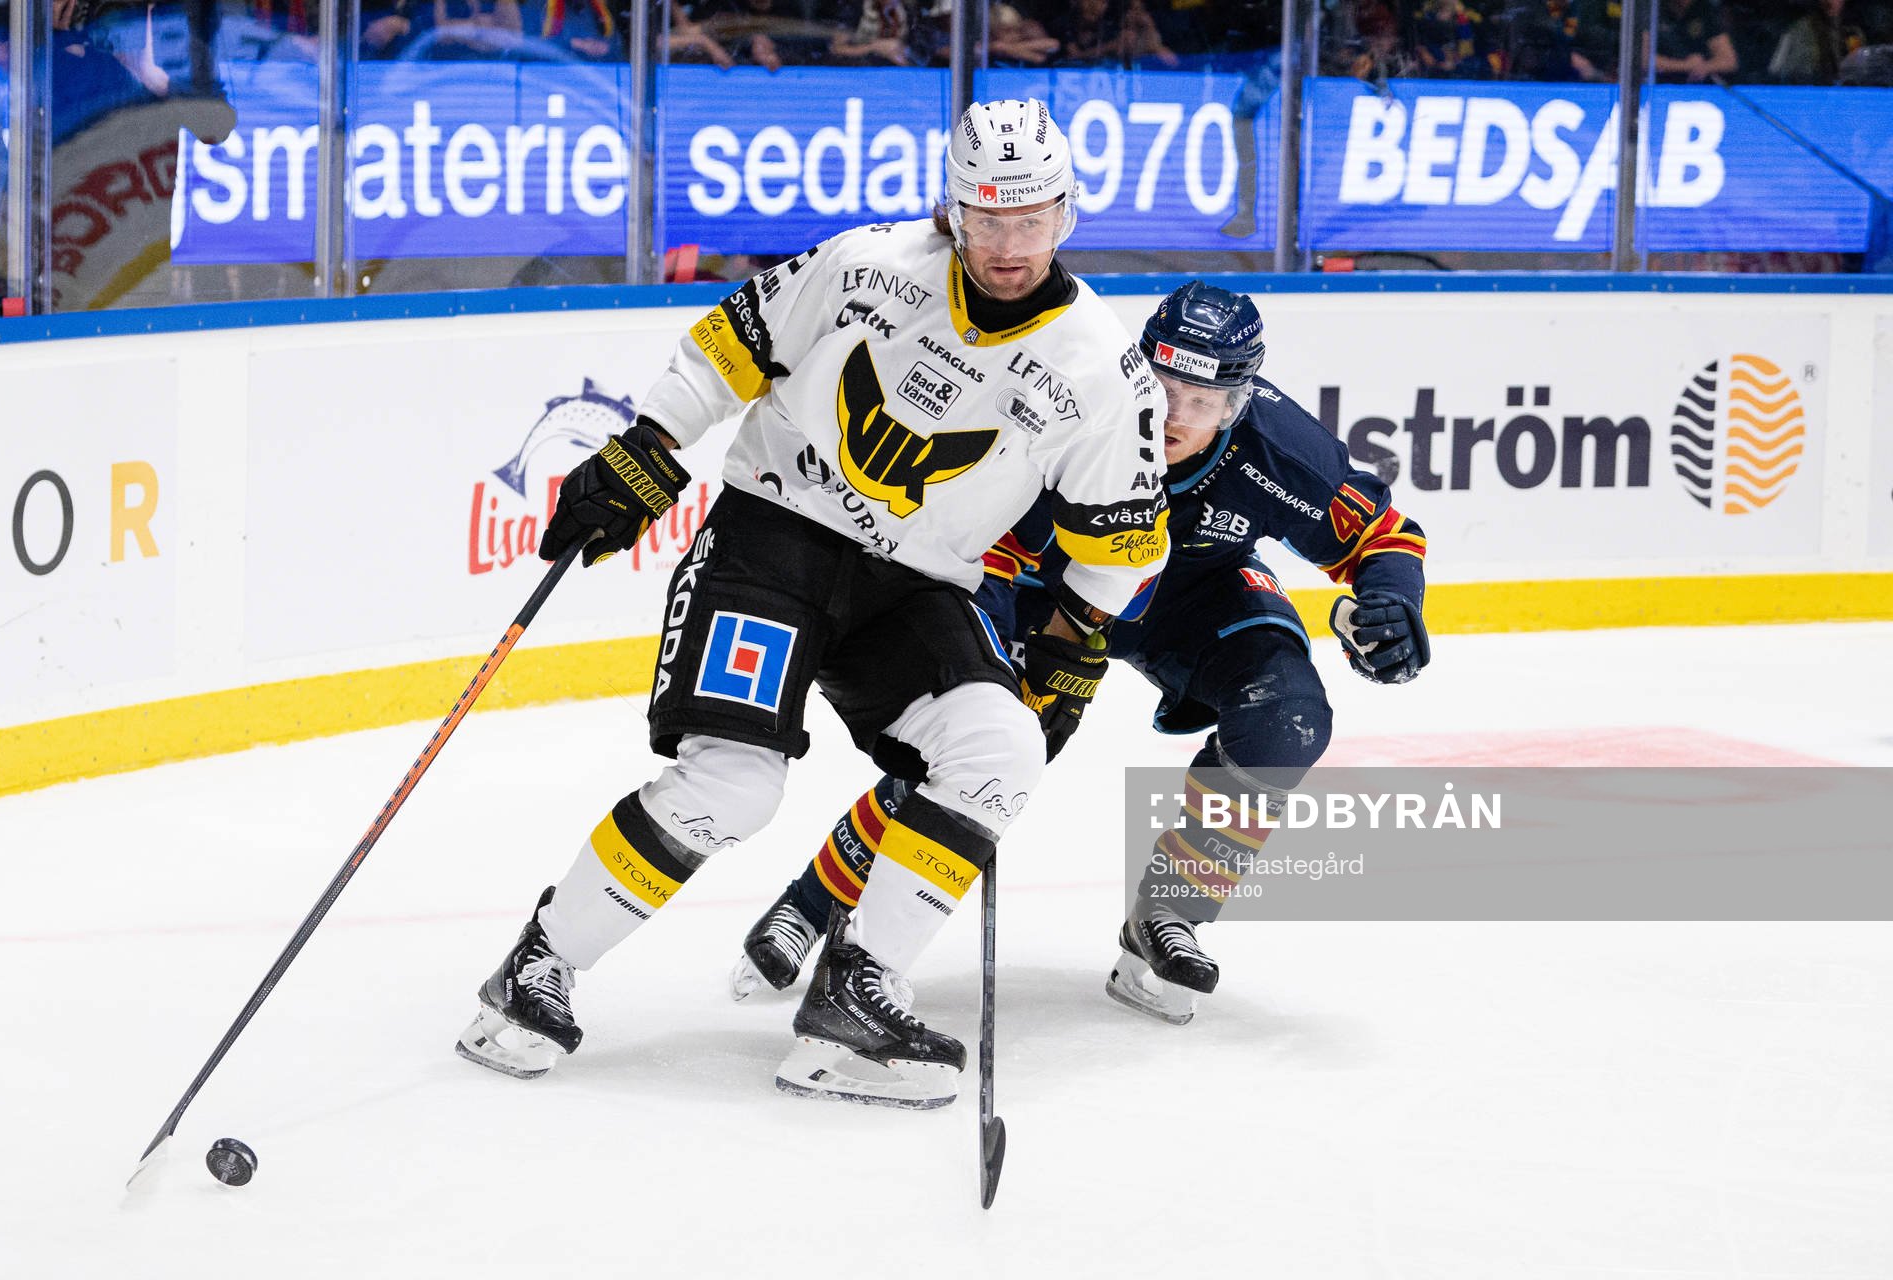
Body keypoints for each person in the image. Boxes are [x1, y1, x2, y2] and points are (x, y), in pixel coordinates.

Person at [455, 97, 1169, 1109]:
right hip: (775, 538)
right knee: (735, 785)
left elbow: (1115, 544)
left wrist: (1069, 647)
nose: (1011, 243)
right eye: (988, 216)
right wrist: (647, 447)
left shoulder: (1101, 367)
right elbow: (728, 344)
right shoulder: (866, 262)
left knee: (1001, 745)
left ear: (1069, 214)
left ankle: (856, 988)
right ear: (952, 209)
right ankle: (539, 964)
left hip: (914, 587)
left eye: (1033, 217)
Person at [730, 281, 1430, 1027]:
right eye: (1165, 390)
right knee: (980, 747)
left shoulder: (1282, 450)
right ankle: (813, 904)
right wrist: (1002, 667)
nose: (1177, 417)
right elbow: (985, 554)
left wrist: (1395, 600)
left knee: (1287, 717)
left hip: (1196, 594)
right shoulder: (1069, 413)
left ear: (1238, 403)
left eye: (1203, 401)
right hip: (1052, 596)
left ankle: (1169, 913)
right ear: (1138, 368)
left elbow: (1383, 535)